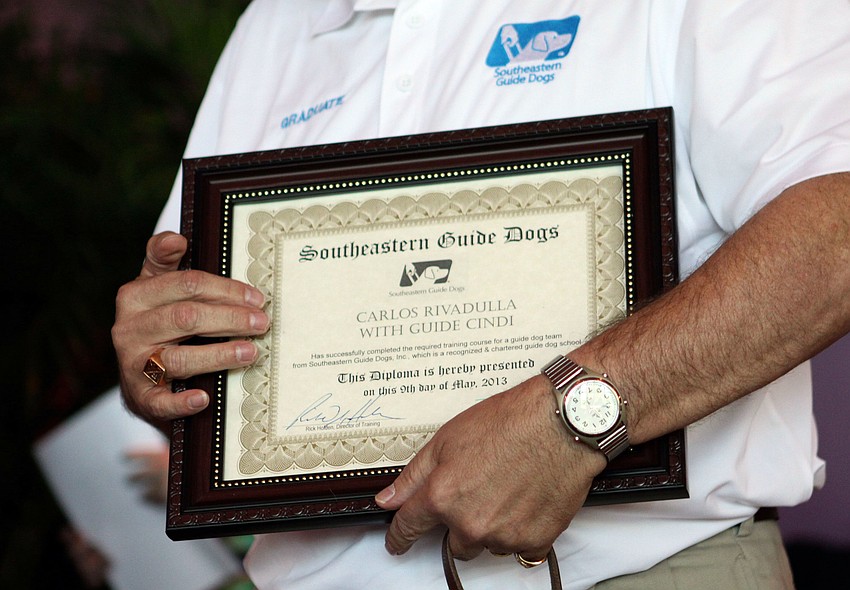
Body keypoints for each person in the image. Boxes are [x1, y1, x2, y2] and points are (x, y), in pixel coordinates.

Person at [111, 1, 850, 588]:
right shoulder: (274, 25)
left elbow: (838, 224)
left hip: (642, 572)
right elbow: (197, 341)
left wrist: (573, 420)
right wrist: (160, 357)